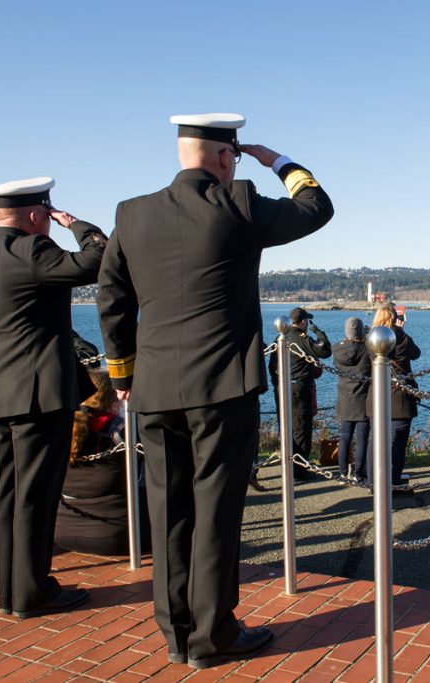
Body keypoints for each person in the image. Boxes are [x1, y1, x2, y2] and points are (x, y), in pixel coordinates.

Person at [97, 112, 333, 669]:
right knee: (216, 514)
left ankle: (176, 634)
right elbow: (316, 207)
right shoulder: (239, 202)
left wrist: (124, 375)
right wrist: (276, 160)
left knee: (169, 512)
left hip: (153, 389)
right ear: (227, 158)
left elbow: (111, 298)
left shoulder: (131, 214)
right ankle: (213, 634)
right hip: (223, 388)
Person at [0, 176, 106, 618]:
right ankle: (33, 592)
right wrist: (77, 225)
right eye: (49, 217)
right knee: (37, 497)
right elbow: (99, 258)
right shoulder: (35, 251)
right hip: (39, 397)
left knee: (6, 495)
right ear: (38, 216)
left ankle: (11, 589)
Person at [54, 370, 150, 556]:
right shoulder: (122, 432)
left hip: (62, 532)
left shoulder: (62, 431)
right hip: (118, 535)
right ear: (114, 403)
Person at [269, 307, 332, 479]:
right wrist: (319, 332)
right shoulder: (301, 338)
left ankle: (287, 465)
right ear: (303, 322)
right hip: (299, 389)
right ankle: (300, 470)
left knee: (285, 427)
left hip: (281, 388)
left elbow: (272, 366)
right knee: (301, 429)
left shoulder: (279, 339)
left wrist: (277, 384)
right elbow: (325, 351)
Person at [366, 303, 420, 483]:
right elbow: (416, 353)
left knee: (375, 441)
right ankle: (393, 481)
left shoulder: (371, 337)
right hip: (399, 396)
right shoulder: (400, 336)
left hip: (377, 395)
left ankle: (373, 480)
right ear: (394, 317)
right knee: (397, 442)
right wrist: (401, 331)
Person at [333, 317, 371, 482]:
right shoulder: (367, 349)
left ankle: (342, 472)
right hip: (362, 399)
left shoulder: (337, 350)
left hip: (344, 398)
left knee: (345, 436)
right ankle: (358, 473)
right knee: (362, 438)